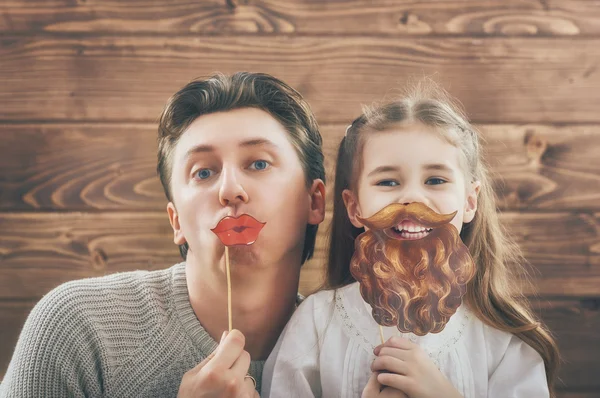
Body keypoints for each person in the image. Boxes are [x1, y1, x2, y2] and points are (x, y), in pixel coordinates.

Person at [0, 72, 326, 398]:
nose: (229, 190)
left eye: (258, 164)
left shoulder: (352, 356)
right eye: (203, 172)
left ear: (314, 202)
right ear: (176, 222)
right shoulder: (76, 329)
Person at [263, 81, 559, 398]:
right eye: (388, 181)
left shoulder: (503, 339)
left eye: (435, 180)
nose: (412, 198)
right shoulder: (317, 323)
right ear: (354, 207)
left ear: (470, 201)